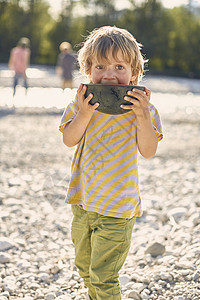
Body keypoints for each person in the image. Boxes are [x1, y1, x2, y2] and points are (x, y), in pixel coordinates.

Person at [59, 26, 163, 299]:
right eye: (101, 66)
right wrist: (83, 114)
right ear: (88, 69)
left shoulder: (142, 109)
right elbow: (69, 139)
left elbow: (149, 150)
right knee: (84, 266)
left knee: (104, 277)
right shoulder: (82, 102)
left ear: (134, 73)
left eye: (119, 66)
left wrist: (142, 117)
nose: (109, 74)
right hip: (83, 200)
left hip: (118, 207)